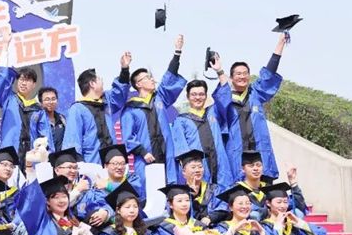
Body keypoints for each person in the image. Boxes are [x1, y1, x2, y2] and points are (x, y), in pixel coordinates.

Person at [121, 35, 187, 195]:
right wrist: (143, 152)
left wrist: (177, 52)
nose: (152, 80)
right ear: (138, 84)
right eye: (147, 78)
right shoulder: (131, 108)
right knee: (150, 194)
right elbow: (128, 137)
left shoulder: (160, 98)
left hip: (167, 156)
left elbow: (169, 77)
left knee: (171, 192)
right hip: (146, 159)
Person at [219, 34, 287, 180]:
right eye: (238, 74)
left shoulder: (255, 93)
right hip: (237, 161)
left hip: (260, 159)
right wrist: (219, 72)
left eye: (245, 73)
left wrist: (280, 44)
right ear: (231, 78)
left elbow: (268, 75)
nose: (242, 76)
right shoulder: (225, 101)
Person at [172, 52, 233, 186]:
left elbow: (225, 95)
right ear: (188, 97)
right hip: (199, 172)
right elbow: (182, 151)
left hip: (221, 169)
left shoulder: (213, 112)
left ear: (206, 96)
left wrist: (219, 71)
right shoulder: (181, 121)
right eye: (194, 94)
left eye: (201, 94)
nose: (198, 97)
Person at [63, 53, 131, 164]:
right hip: (91, 164)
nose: (102, 82)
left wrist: (124, 69)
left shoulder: (106, 101)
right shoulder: (77, 109)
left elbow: (119, 93)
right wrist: (80, 166)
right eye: (99, 79)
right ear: (92, 83)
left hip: (111, 164)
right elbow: (72, 140)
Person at [0, 63, 50, 169]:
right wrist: (7, 68)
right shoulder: (9, 99)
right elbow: (1, 85)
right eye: (21, 79)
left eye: (27, 80)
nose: (23, 83)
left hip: (31, 156)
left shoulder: (38, 109)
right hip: (10, 152)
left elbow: (45, 135)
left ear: (34, 84)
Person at [176, 149, 229, 227]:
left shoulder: (214, 189)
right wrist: (192, 196)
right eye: (193, 167)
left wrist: (210, 217)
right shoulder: (178, 193)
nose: (197, 170)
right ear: (184, 172)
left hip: (212, 230)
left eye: (200, 167)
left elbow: (224, 208)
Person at [237, 150, 274, 221]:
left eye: (258, 165)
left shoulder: (269, 188)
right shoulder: (237, 189)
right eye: (251, 166)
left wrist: (293, 183)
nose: (255, 168)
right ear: (243, 169)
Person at [33, 87, 67, 152]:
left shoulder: (62, 119)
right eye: (47, 99)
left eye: (53, 99)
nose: (51, 102)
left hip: (61, 157)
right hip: (43, 157)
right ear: (41, 103)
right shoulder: (37, 120)